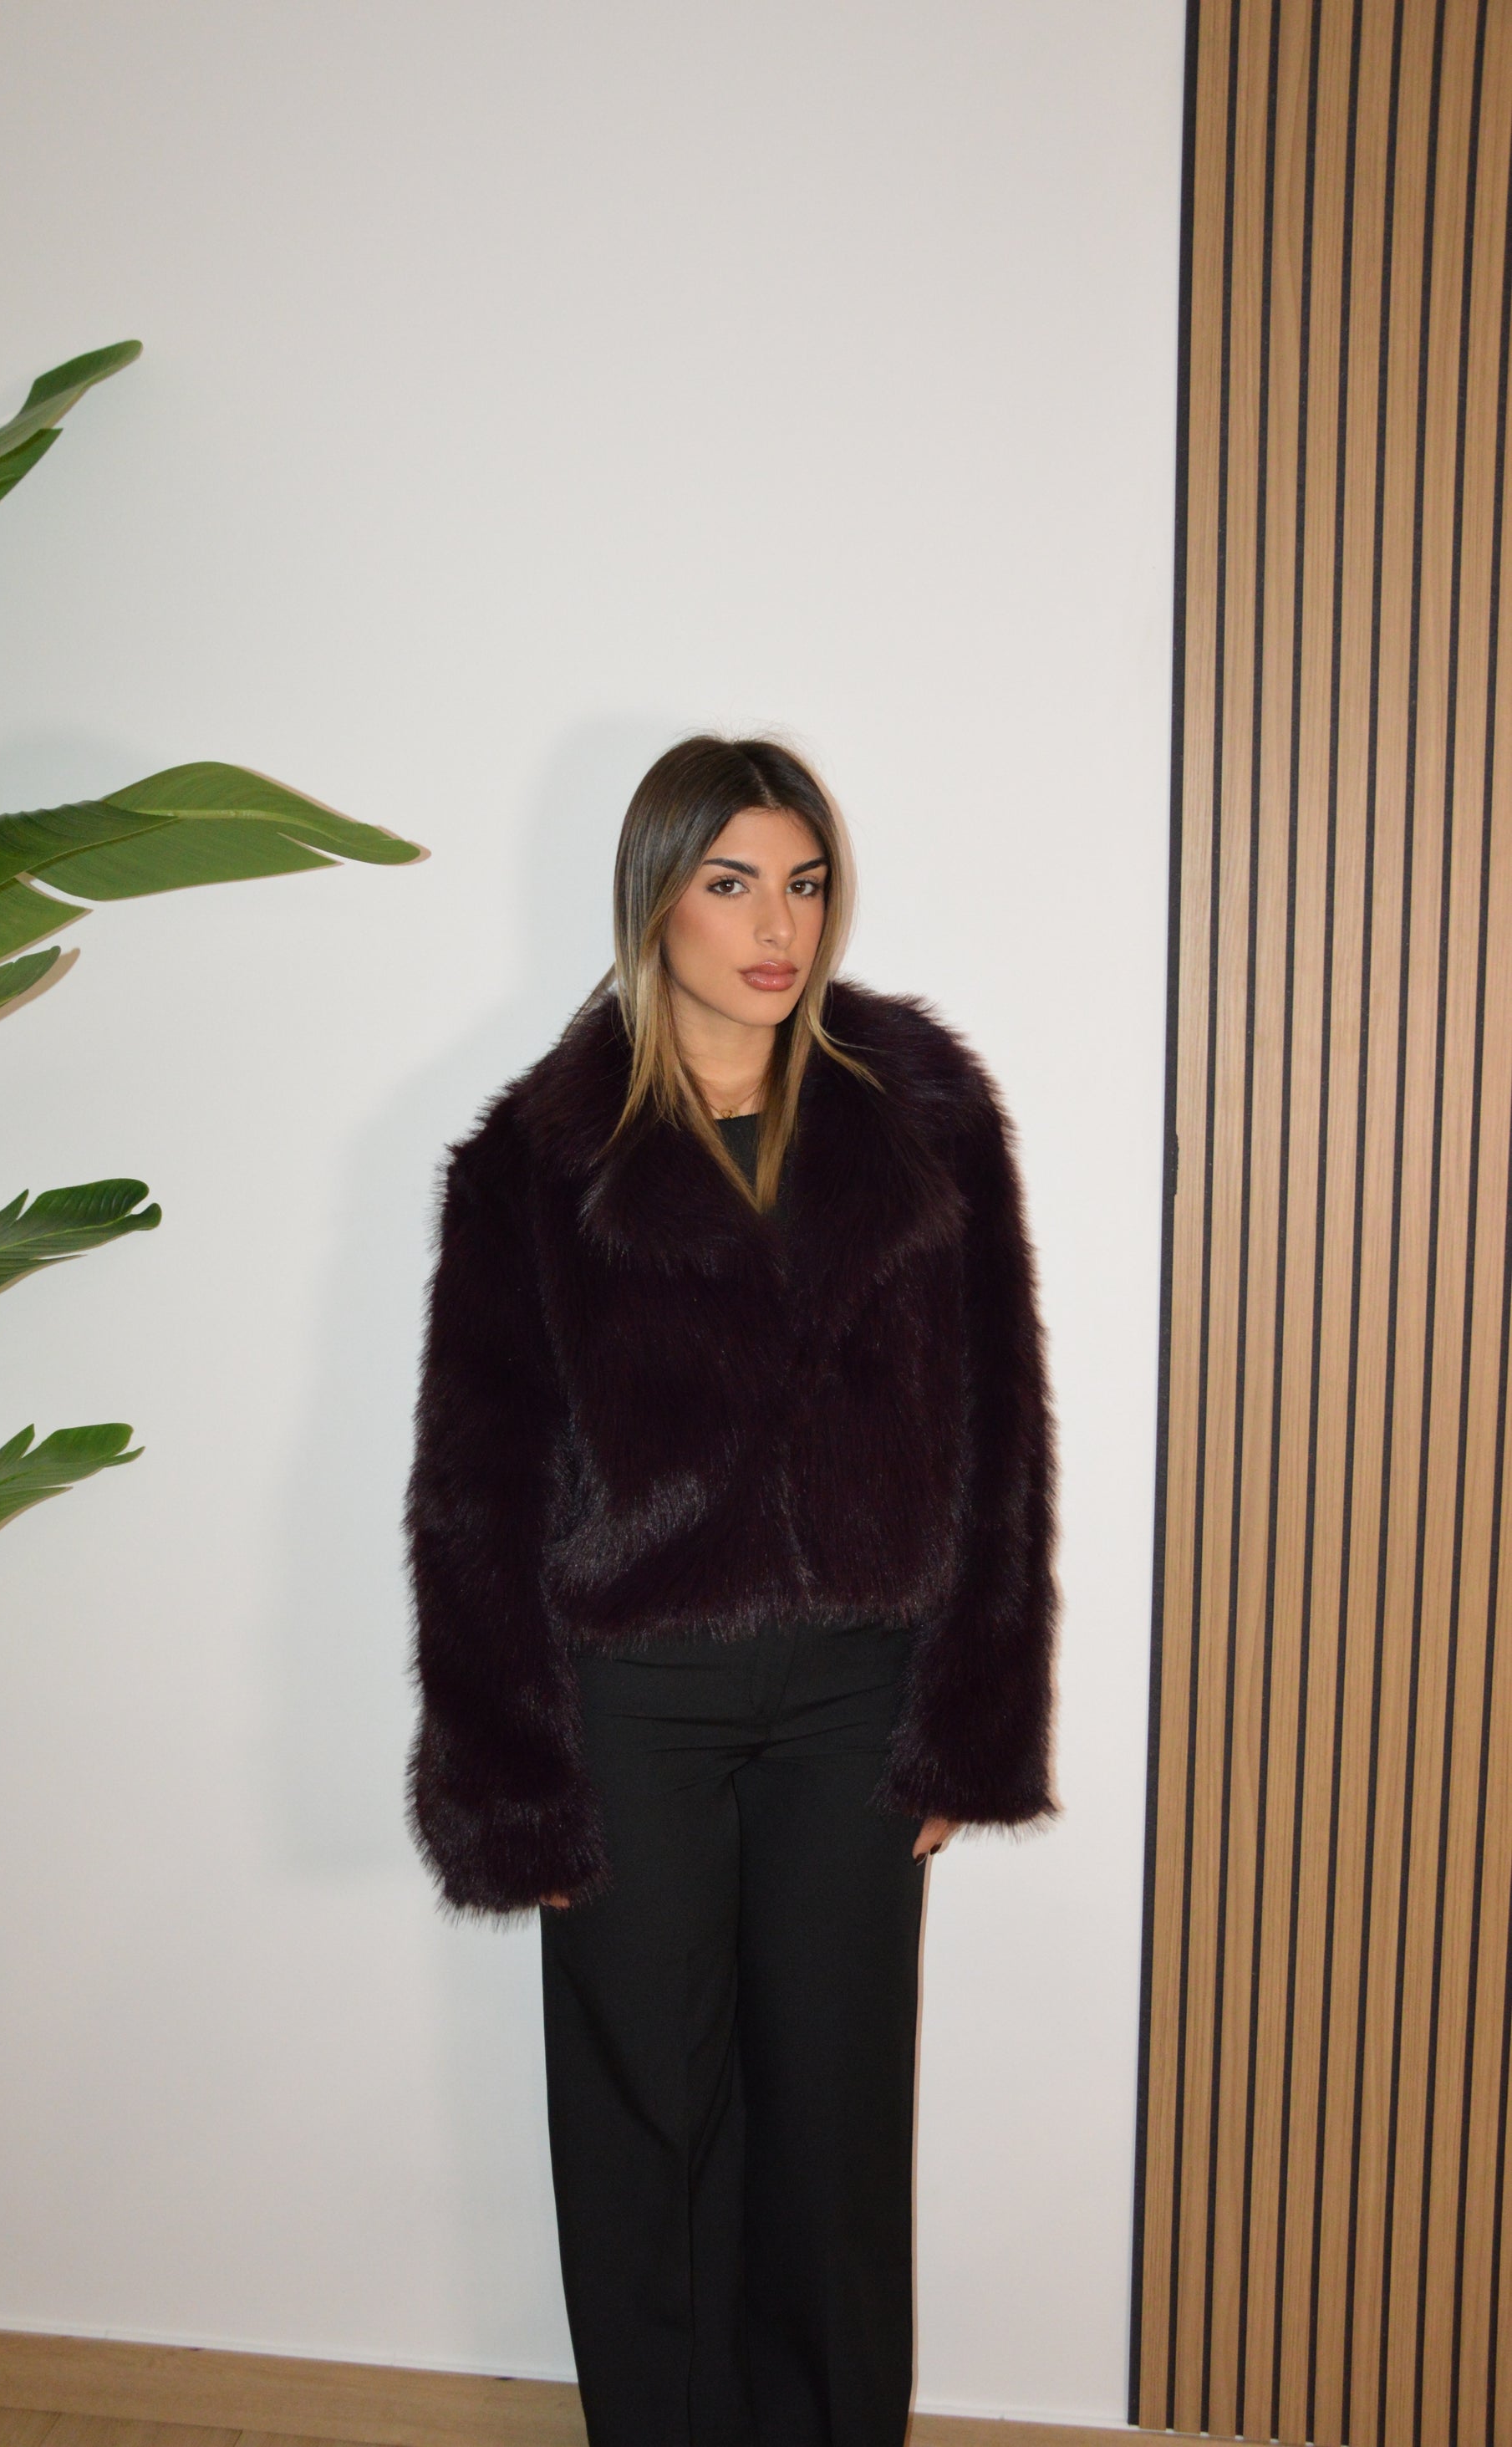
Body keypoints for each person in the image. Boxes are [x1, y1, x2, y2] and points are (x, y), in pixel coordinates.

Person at [404, 734, 1058, 2447]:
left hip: (859, 1698)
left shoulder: (923, 1120)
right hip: (634, 1708)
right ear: (655, 899)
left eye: (805, 883)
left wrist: (970, 1716)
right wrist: (512, 1782)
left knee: (835, 2113)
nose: (778, 927)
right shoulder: (537, 1159)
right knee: (650, 2116)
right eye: (731, 882)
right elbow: (474, 1489)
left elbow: (997, 1429)